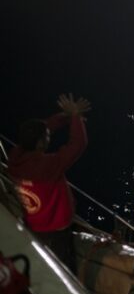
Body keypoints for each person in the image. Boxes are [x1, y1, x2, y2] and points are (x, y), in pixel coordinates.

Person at [7, 93, 91, 273]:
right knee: (63, 270)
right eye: (46, 136)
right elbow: (78, 144)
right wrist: (75, 117)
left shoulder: (15, 158)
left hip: (33, 225)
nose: (49, 137)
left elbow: (41, 129)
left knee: (39, 264)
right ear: (39, 143)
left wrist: (67, 117)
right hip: (56, 231)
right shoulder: (48, 166)